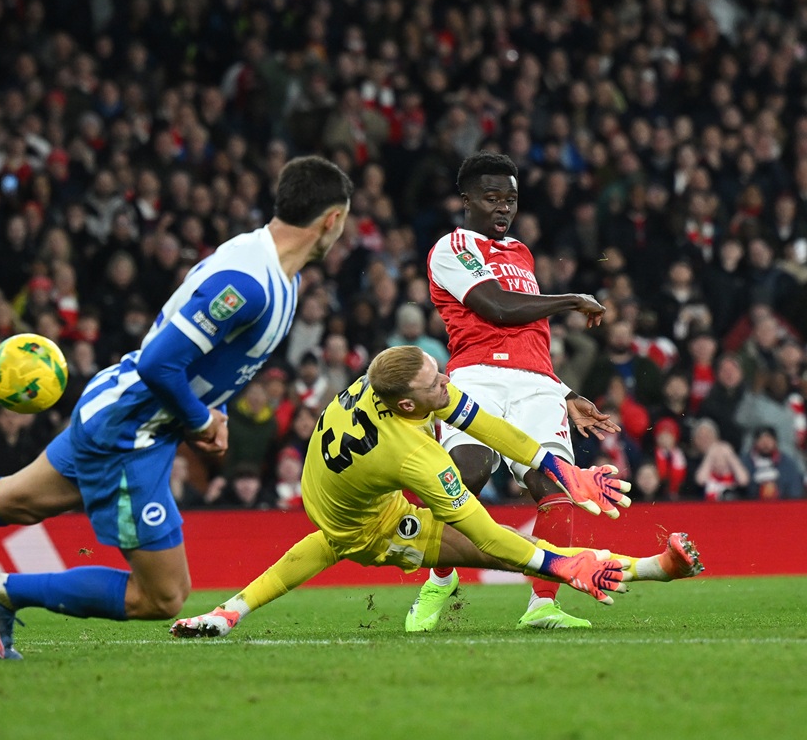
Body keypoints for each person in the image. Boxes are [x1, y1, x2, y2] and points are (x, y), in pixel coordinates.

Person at [0, 155, 355, 659]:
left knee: (17, 499)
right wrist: (199, 418)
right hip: (132, 431)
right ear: (331, 220)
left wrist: (205, 411)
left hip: (123, 410)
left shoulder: (275, 273)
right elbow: (160, 363)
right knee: (164, 595)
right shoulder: (249, 283)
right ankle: (0, 591)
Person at [171, 346, 703, 638]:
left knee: (322, 541)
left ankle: (228, 613)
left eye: (438, 371)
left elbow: (488, 424)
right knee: (499, 551)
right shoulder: (416, 457)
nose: (446, 382)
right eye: (435, 385)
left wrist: (560, 469)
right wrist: (563, 568)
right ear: (408, 406)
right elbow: (490, 538)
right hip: (372, 529)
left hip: (343, 499)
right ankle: (656, 568)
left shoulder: (392, 376)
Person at [421, 151, 621, 630]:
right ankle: (441, 577)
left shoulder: (521, 252)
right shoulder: (451, 247)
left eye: (510, 199)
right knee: (466, 475)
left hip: (537, 383)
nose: (503, 208)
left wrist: (565, 389)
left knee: (553, 487)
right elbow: (497, 308)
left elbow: (531, 334)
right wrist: (572, 298)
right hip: (475, 376)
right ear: (465, 199)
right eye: (491, 198)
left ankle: (544, 604)